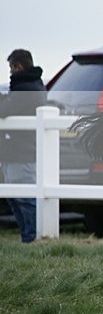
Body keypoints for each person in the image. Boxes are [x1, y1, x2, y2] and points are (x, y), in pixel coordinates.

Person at [0, 49, 47, 243]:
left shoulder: (25, 88)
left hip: (22, 152)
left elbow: (5, 109)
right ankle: (28, 237)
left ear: (18, 66)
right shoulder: (31, 86)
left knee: (24, 199)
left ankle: (31, 238)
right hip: (17, 152)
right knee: (16, 197)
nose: (10, 72)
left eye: (11, 68)